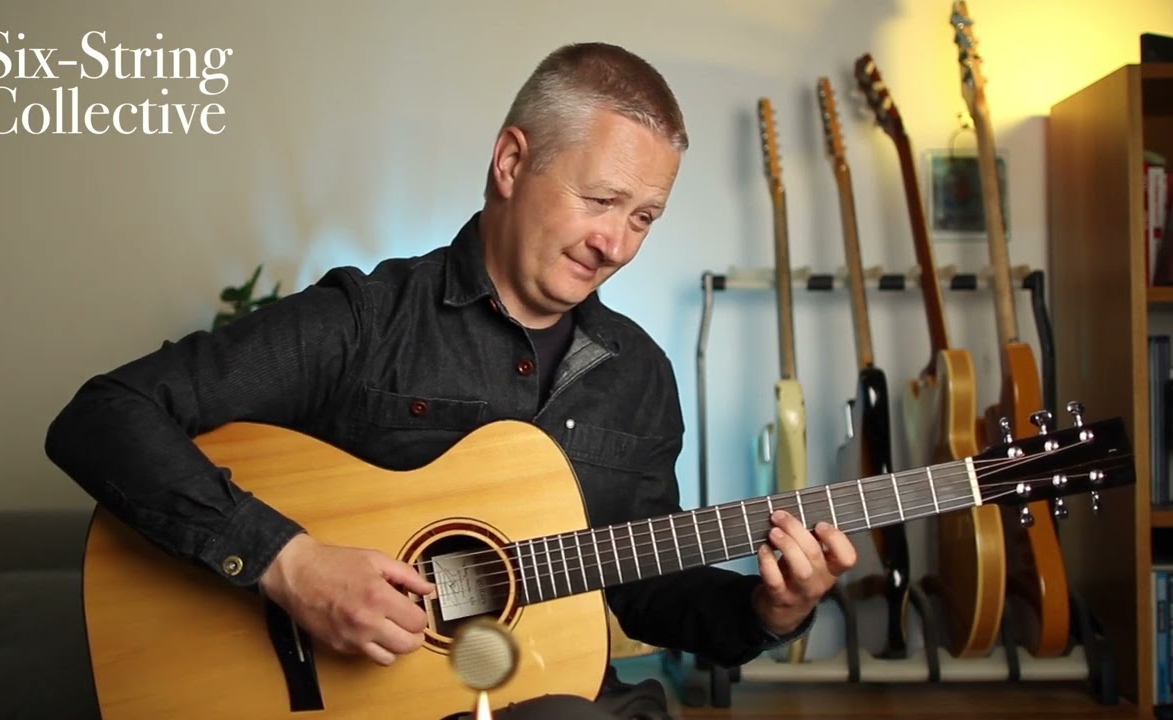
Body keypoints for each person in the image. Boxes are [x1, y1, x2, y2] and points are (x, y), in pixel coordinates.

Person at [45, 41, 857, 719]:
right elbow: (104, 415)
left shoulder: (638, 374)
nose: (616, 242)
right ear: (512, 162)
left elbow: (647, 592)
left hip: (557, 694)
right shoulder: (366, 320)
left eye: (643, 217)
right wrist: (290, 566)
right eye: (600, 200)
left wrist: (769, 609)